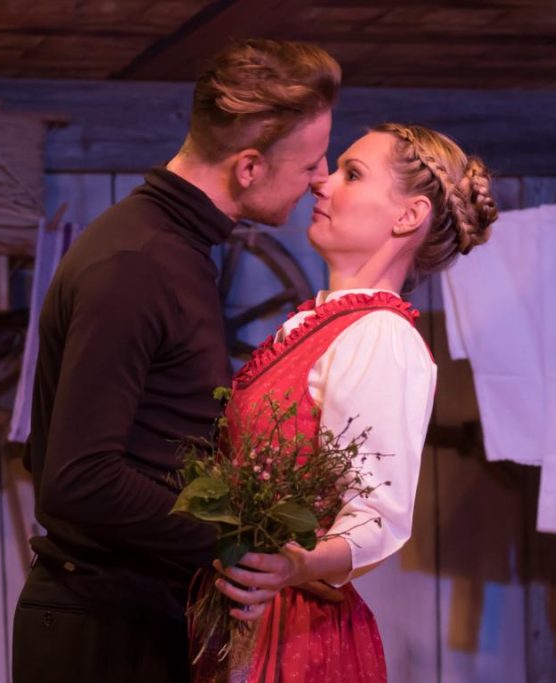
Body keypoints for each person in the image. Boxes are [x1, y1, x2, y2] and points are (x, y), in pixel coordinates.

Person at [12, 39, 340, 683]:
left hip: (135, 615)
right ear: (249, 167)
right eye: (309, 162)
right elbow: (78, 477)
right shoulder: (137, 264)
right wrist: (243, 544)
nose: (321, 178)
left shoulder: (175, 250)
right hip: (100, 631)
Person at [207, 123, 499, 681]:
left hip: (295, 631)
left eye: (353, 174)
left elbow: (377, 516)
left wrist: (295, 564)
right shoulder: (315, 324)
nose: (322, 182)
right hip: (250, 611)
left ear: (408, 215)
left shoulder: (379, 337)